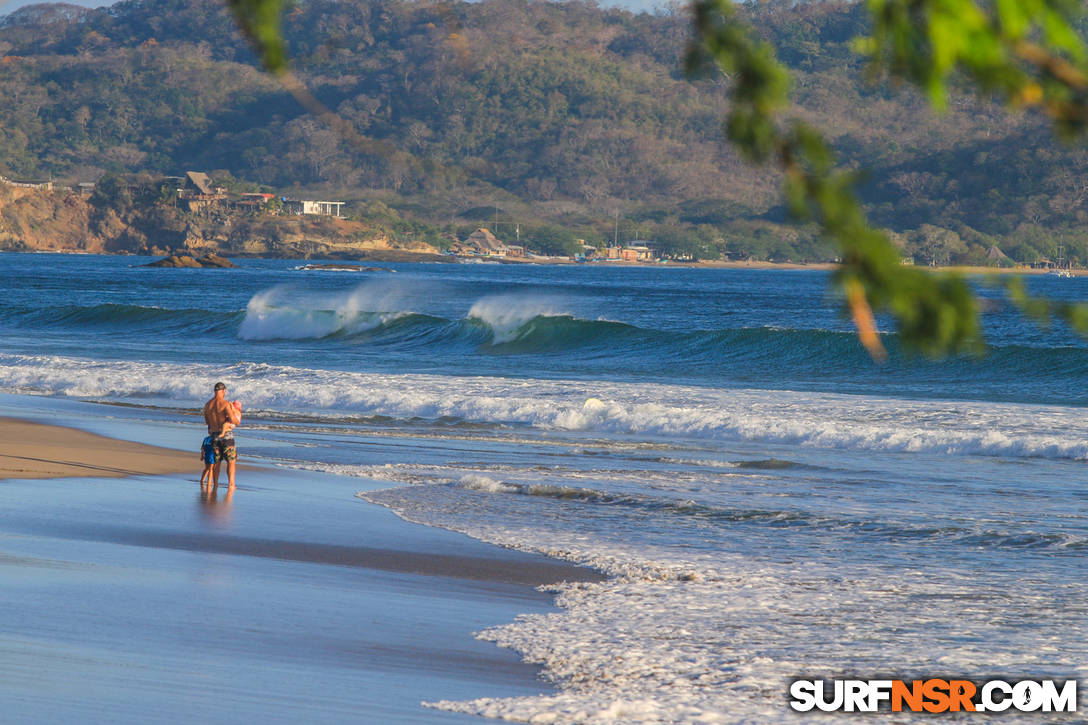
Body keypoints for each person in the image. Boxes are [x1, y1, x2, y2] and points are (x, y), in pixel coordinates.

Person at [202, 381, 242, 489]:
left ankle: (215, 484)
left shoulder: (207, 405)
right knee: (231, 461)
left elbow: (207, 422)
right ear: (224, 391)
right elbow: (234, 421)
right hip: (226, 436)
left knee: (217, 461)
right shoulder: (225, 404)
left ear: (215, 391)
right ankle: (231, 485)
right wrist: (235, 416)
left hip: (214, 435)